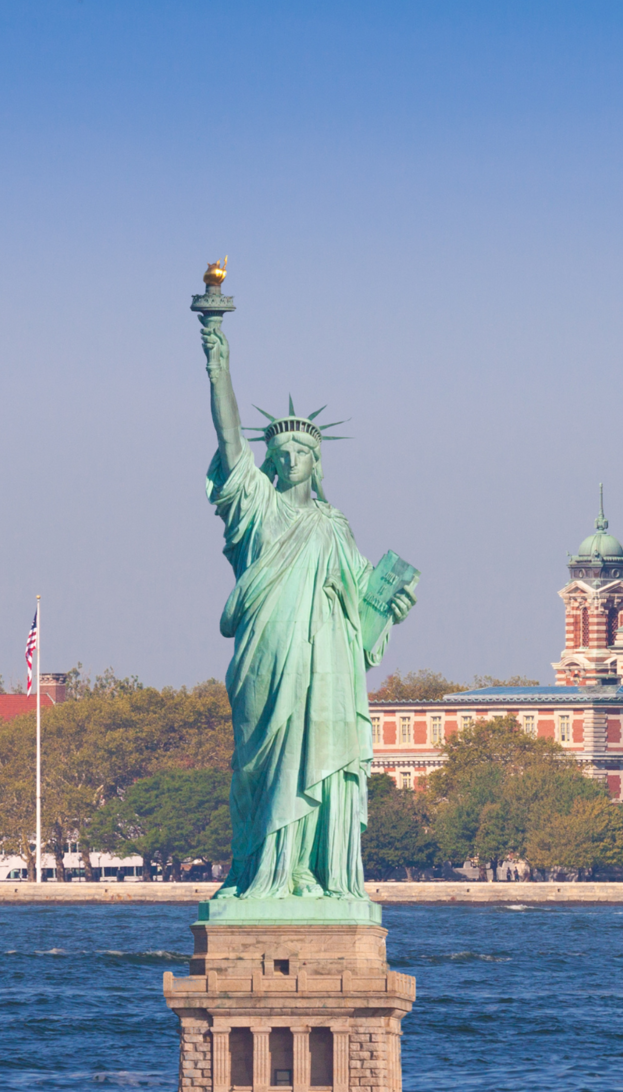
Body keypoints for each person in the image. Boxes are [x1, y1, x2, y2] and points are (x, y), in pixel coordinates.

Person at [199, 311, 414, 901]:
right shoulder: (256, 507)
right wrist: (218, 365)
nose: (292, 457)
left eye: (302, 449)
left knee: (319, 754)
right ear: (269, 461)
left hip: (327, 662)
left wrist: (391, 602)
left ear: (318, 462)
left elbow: (365, 602)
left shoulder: (333, 525)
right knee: (266, 761)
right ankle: (262, 870)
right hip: (268, 654)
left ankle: (309, 871)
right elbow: (229, 438)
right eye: (282, 450)